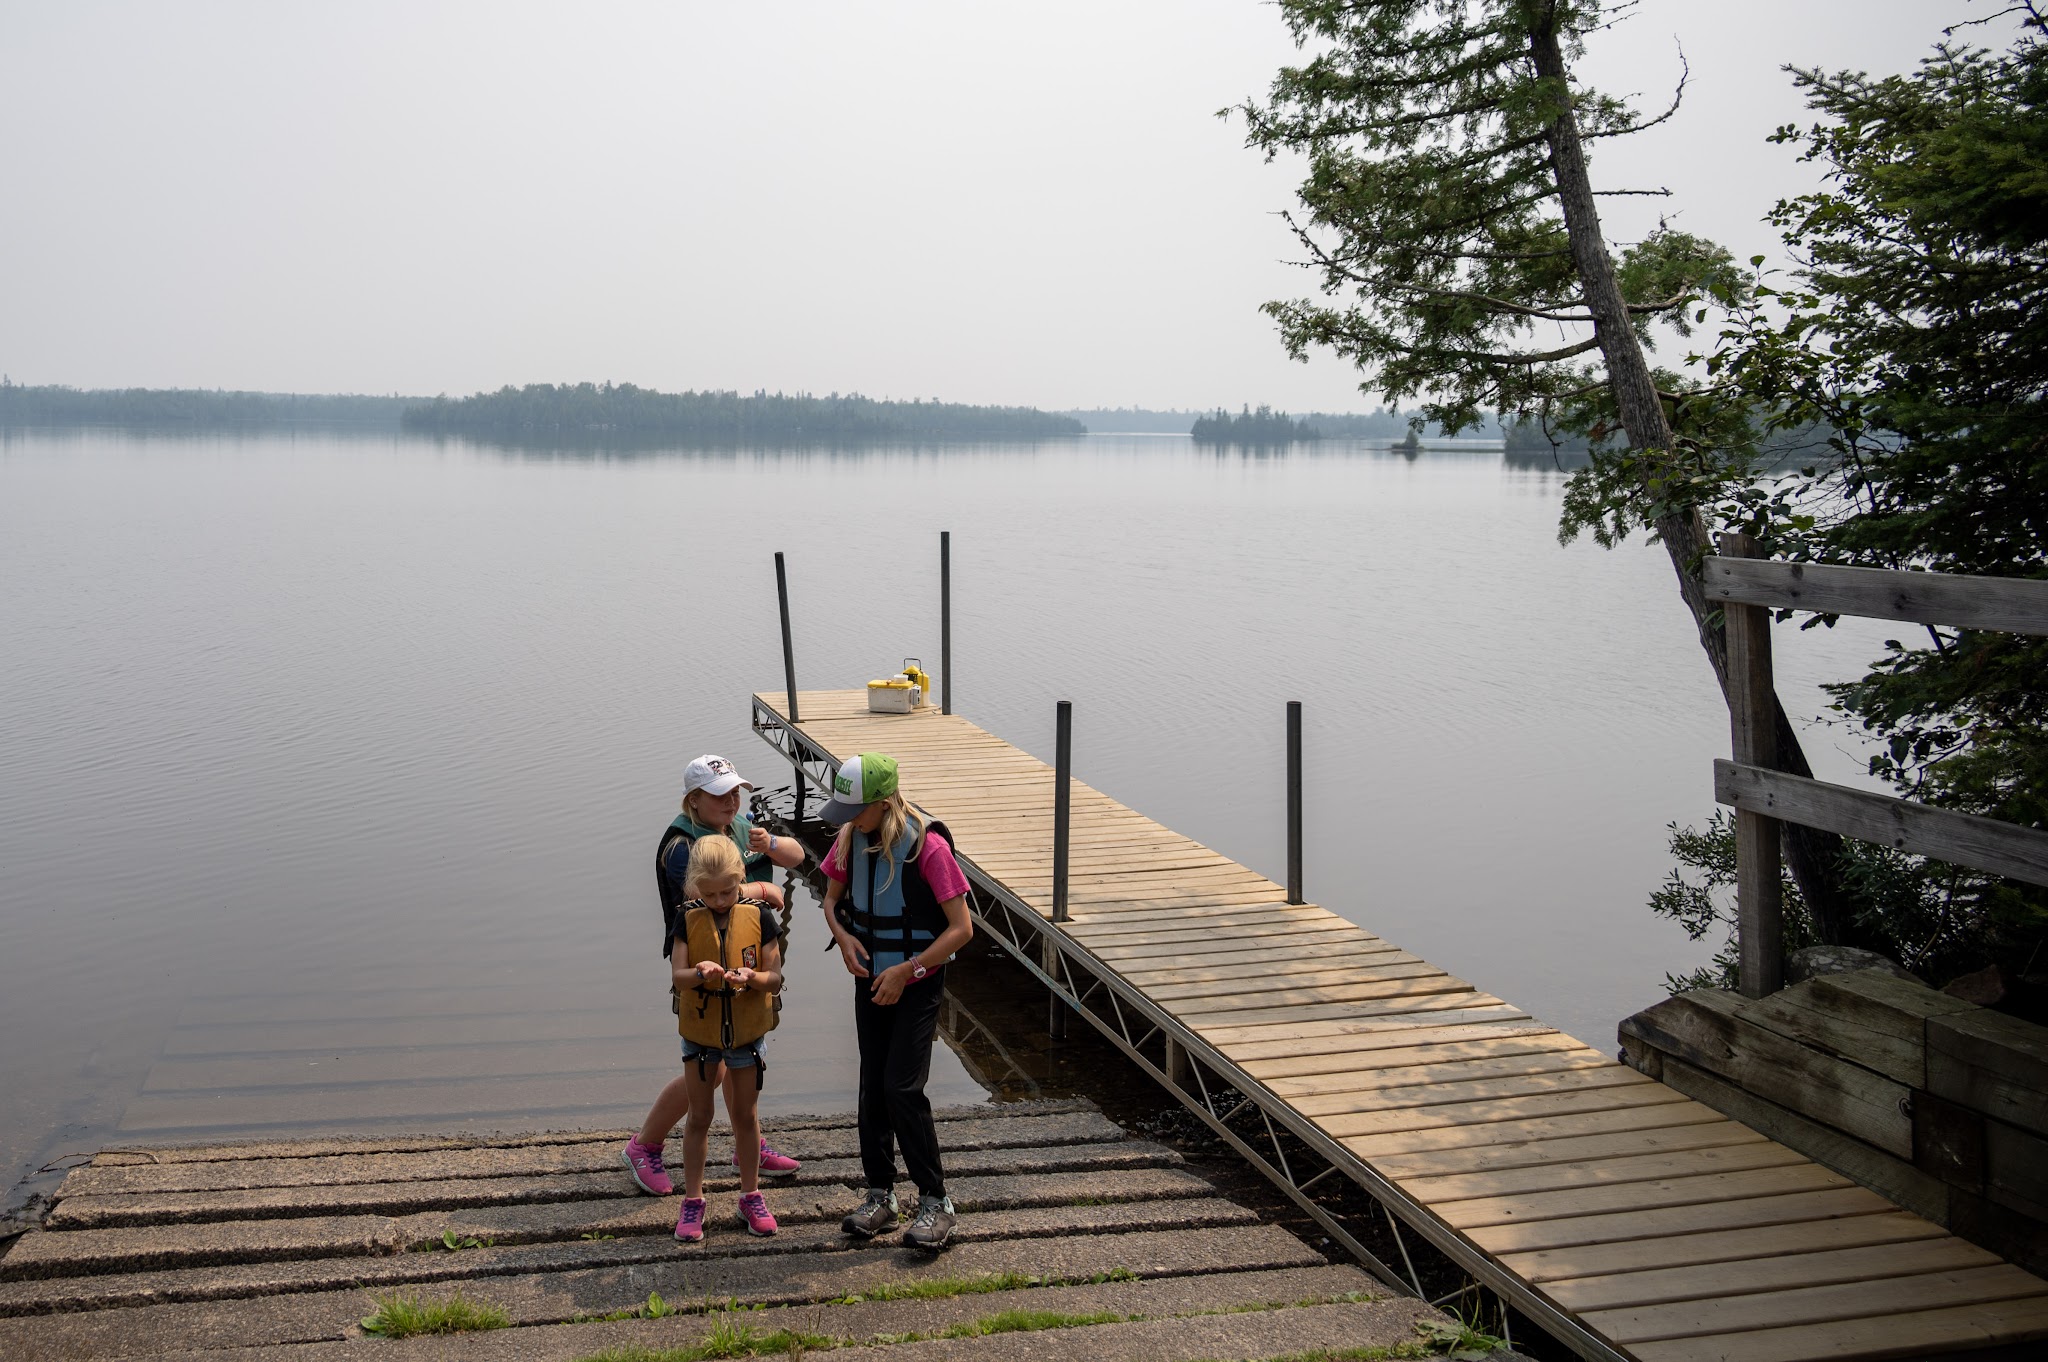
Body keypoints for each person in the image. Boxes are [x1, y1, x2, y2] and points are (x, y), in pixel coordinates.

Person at [622, 755, 806, 1204]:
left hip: (746, 959)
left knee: (743, 1053)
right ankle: (644, 1144)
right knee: (709, 1062)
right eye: (720, 795)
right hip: (701, 967)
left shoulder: (736, 825)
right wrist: (764, 890)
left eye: (735, 791)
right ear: (694, 800)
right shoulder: (681, 847)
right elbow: (708, 896)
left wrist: (771, 845)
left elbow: (798, 858)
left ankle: (749, 1141)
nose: (732, 800)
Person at [816, 752, 974, 1250]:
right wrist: (843, 939)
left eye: (855, 811)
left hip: (916, 980)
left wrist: (909, 971)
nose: (846, 820)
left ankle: (936, 1202)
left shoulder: (928, 850)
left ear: (884, 805)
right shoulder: (848, 839)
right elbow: (829, 900)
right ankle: (880, 1196)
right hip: (870, 978)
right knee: (872, 1087)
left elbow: (962, 929)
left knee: (903, 1088)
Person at [664, 835, 785, 1241]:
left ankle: (750, 1195)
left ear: (741, 881)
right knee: (699, 1117)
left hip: (747, 1037)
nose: (719, 900)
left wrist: (752, 978)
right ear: (696, 887)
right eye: (710, 893)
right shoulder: (686, 918)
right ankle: (693, 1201)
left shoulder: (760, 916)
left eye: (728, 891)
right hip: (701, 1038)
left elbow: (775, 977)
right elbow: (677, 977)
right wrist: (700, 973)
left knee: (745, 1118)